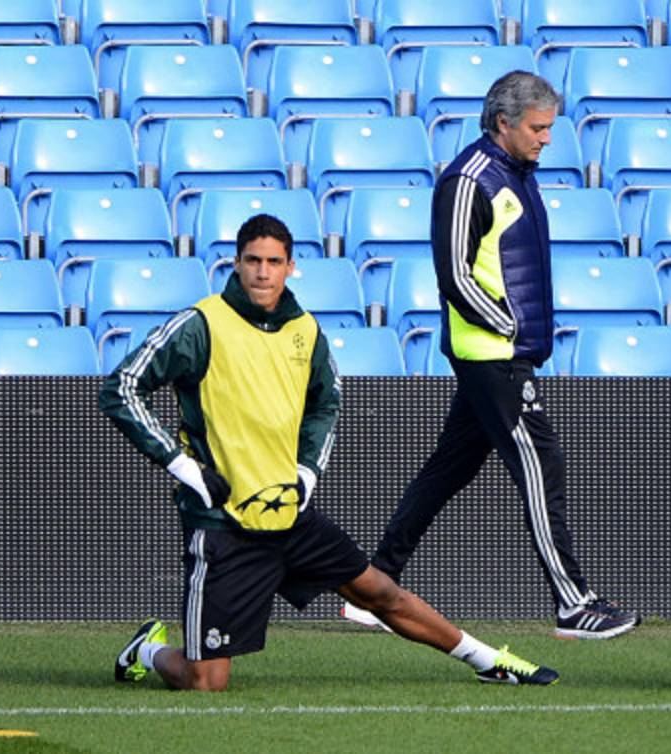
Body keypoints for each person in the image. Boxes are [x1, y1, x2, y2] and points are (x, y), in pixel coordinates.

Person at [99, 214, 558, 690]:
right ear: (235, 264)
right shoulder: (199, 324)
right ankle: (148, 650)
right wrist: (183, 467)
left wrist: (307, 471)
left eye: (274, 262)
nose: (262, 272)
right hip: (224, 526)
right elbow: (122, 388)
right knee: (205, 682)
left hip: (289, 514)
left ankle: (489, 661)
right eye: (253, 260)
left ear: (290, 267)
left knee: (379, 592)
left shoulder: (305, 329)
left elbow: (327, 400)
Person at [362, 71, 639, 640]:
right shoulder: (469, 180)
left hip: (503, 351)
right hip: (491, 354)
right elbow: (455, 276)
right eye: (537, 128)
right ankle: (573, 604)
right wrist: (509, 329)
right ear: (503, 123)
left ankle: (374, 587)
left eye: (549, 128)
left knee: (448, 470)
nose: (546, 139)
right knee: (541, 467)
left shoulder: (517, 173)